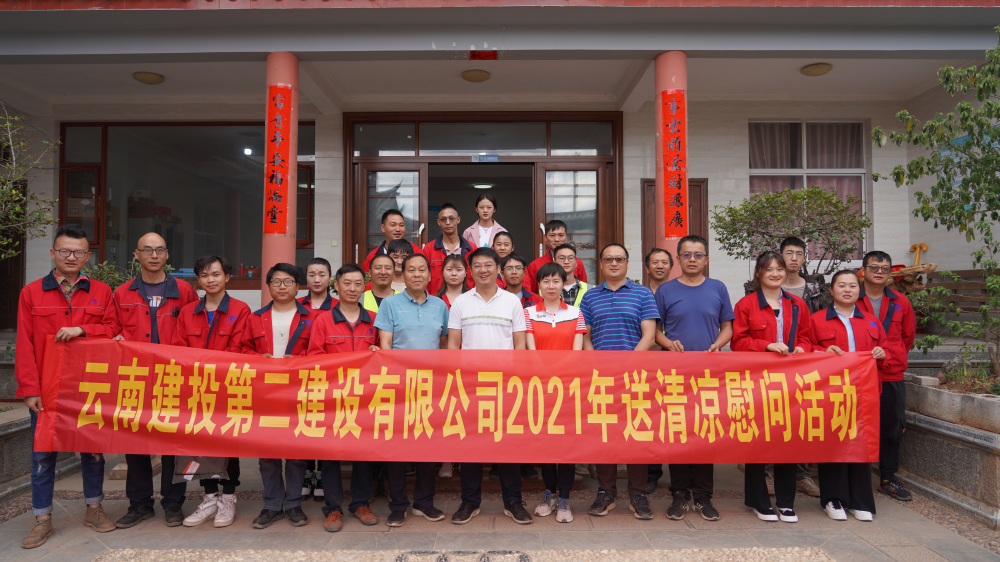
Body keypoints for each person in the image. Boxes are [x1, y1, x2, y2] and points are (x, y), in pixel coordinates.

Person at [16, 224, 117, 548]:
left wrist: (82, 329)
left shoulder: (102, 291)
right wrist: (30, 389)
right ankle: (42, 519)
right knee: (43, 455)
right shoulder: (31, 293)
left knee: (93, 452)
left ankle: (94, 508)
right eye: (64, 251)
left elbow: (113, 328)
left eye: (78, 252)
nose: (71, 257)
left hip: (89, 386)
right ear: (53, 253)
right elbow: (24, 344)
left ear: (88, 256)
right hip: (48, 389)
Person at [103, 232, 199, 529]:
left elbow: (195, 328)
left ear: (167, 254)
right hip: (135, 379)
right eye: (147, 250)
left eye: (159, 250)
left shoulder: (184, 291)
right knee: (135, 444)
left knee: (174, 445)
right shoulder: (122, 293)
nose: (153, 255)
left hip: (174, 379)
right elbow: (111, 327)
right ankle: (140, 504)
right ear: (136, 255)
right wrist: (116, 337)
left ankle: (173, 503)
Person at [447, 247, 532, 525]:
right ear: (470, 271)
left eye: (488, 265)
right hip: (471, 385)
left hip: (505, 385)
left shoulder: (512, 302)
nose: (483, 270)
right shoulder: (461, 302)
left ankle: (513, 501)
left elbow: (519, 345)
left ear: (499, 269)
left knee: (508, 445)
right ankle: (470, 501)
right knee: (471, 446)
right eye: (477, 265)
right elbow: (453, 345)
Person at [654, 235, 734, 522]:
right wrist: (668, 343)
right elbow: (654, 329)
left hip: (709, 373)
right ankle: (678, 493)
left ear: (706, 259)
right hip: (675, 373)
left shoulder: (718, 288)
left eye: (698, 255)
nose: (692, 259)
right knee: (678, 432)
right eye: (686, 254)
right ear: (678, 258)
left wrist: (717, 345)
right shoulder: (665, 290)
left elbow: (728, 327)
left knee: (705, 432)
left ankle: (702, 495)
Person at [731, 251, 814, 524]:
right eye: (769, 269)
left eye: (779, 268)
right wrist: (765, 345)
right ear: (759, 273)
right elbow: (737, 342)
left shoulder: (797, 305)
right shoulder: (746, 305)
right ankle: (759, 501)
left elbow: (807, 337)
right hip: (756, 382)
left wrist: (802, 348)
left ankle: (786, 502)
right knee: (757, 442)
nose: (775, 273)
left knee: (787, 440)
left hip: (790, 382)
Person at [169, 255, 251, 527]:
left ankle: (228, 498)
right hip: (196, 388)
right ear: (198, 280)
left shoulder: (240, 310)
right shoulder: (188, 312)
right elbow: (178, 349)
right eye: (204, 275)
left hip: (227, 387)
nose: (210, 280)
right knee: (201, 442)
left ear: (227, 277)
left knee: (228, 443)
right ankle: (209, 498)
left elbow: (240, 349)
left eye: (216, 274)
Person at [580, 243, 659, 520]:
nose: (614, 263)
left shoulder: (642, 294)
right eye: (609, 259)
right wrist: (597, 364)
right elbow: (585, 335)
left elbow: (649, 335)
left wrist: (627, 366)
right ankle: (606, 492)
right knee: (606, 434)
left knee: (636, 434)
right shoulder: (590, 297)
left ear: (627, 263)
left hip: (635, 376)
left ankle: (638, 493)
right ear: (601, 264)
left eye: (619, 259)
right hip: (601, 377)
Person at [374, 253, 450, 527]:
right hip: (398, 386)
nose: (417, 274)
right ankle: (398, 505)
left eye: (422, 270)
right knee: (397, 448)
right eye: (411, 270)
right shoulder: (390, 304)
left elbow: (444, 346)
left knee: (427, 446)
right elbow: (385, 345)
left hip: (430, 387)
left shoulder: (440, 305)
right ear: (402, 274)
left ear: (430, 275)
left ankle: (424, 502)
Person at [307, 264, 381, 531]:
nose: (352, 289)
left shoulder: (374, 319)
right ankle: (333, 508)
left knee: (363, 453)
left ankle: (361, 503)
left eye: (358, 284)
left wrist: (377, 352)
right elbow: (314, 357)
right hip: (333, 398)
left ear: (364, 287)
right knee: (331, 455)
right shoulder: (323, 321)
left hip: (365, 398)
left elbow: (385, 354)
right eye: (346, 283)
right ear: (336, 286)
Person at [809, 269, 887, 522]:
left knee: (861, 444)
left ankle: (861, 500)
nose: (847, 289)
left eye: (853, 285)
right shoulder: (817, 320)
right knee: (833, 444)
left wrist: (882, 353)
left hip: (865, 393)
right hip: (831, 393)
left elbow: (887, 349)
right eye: (841, 285)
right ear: (831, 290)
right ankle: (834, 499)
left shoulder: (871, 321)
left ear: (859, 291)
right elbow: (805, 348)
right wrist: (822, 351)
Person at [241, 263, 315, 529]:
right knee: (267, 452)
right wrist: (257, 359)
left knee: (296, 452)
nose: (282, 286)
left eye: (288, 282)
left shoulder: (312, 319)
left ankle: (293, 504)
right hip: (266, 393)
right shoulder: (255, 318)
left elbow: (320, 351)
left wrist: (299, 360)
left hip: (298, 392)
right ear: (269, 286)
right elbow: (243, 349)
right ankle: (272, 504)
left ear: (298, 286)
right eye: (276, 282)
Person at [525, 262, 586, 523]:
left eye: (556, 281)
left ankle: (565, 499)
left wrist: (557, 372)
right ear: (538, 285)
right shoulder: (528, 312)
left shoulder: (575, 313)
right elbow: (530, 351)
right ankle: (549, 494)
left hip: (569, 388)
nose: (551, 286)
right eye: (546, 281)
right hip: (539, 388)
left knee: (567, 445)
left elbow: (577, 352)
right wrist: (545, 372)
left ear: (564, 284)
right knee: (545, 444)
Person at [857, 250, 916, 502]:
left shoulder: (901, 302)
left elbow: (907, 338)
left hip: (890, 374)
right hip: (858, 375)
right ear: (863, 271)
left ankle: (888, 478)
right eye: (874, 267)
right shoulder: (852, 297)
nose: (879, 272)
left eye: (885, 268)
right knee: (856, 425)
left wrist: (891, 358)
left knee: (892, 427)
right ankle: (858, 476)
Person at [299, 257, 335, 501]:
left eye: (322, 274)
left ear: (330, 278)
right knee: (304, 424)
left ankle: (321, 474)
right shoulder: (296, 306)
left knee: (325, 425)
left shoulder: (339, 307)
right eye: (312, 274)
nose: (317, 279)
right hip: (301, 373)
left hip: (330, 376)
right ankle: (305, 473)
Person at [642, 247, 672, 492]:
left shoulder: (677, 292)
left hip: (673, 365)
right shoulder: (639, 294)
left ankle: (680, 472)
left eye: (664, 262)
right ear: (647, 267)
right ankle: (650, 473)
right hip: (643, 367)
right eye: (655, 262)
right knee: (648, 419)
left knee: (671, 418)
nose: (660, 266)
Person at [423, 203, 476, 296]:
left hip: (468, 301)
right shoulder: (429, 249)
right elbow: (423, 279)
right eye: (443, 219)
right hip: (437, 301)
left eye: (451, 218)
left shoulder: (472, 249)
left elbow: (478, 278)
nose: (447, 222)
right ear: (438, 222)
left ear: (458, 220)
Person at [524, 220, 588, 294]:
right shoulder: (534, 265)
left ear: (566, 237)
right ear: (545, 237)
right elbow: (532, 295)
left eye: (561, 235)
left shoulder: (577, 263)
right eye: (552, 235)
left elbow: (583, 290)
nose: (557, 239)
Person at [780, 237, 823, 313]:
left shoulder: (815, 290)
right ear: (780, 256)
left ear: (804, 259)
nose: (794, 258)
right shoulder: (772, 288)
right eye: (789, 253)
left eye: (799, 254)